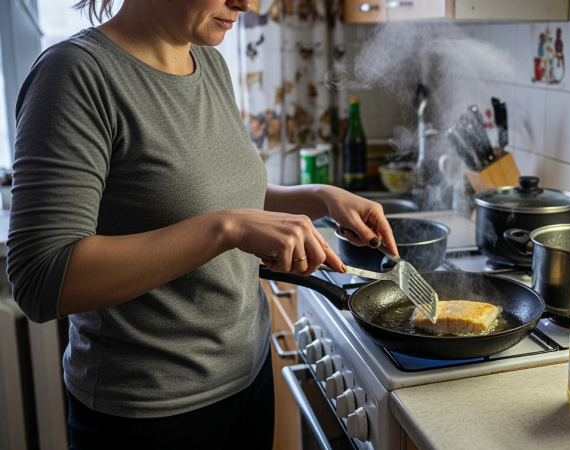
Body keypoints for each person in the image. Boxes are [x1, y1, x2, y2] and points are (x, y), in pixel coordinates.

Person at [6, 0, 397, 448]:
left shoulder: (207, 61)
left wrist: (319, 197)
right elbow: (41, 279)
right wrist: (227, 229)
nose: (247, 4)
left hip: (247, 378)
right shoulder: (75, 74)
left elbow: (209, 194)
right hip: (150, 411)